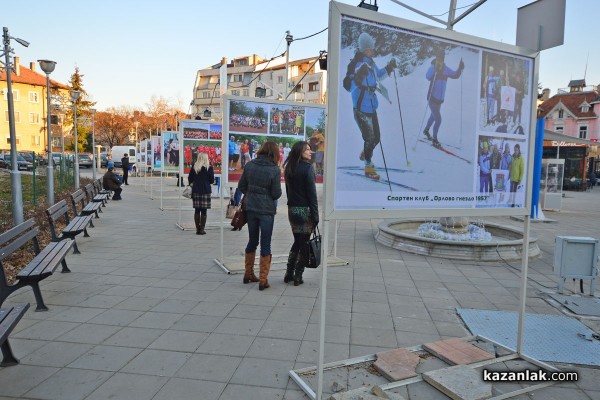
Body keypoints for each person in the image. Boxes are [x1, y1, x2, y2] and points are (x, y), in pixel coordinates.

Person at [350, 32, 396, 181]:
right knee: (369, 139)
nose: (372, 51)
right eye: (370, 49)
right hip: (361, 108)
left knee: (376, 138)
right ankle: (368, 167)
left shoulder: (371, 63)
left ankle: (365, 153)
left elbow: (379, 76)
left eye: (372, 48)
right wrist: (358, 76)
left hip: (371, 106)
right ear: (364, 49)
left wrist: (388, 68)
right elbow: (351, 85)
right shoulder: (357, 64)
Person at [238, 141, 282, 290]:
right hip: (266, 210)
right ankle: (263, 279)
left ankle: (248, 273)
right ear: (274, 153)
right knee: (266, 243)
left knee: (252, 240)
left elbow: (241, 186)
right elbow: (276, 194)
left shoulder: (250, 165)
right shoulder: (274, 169)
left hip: (250, 208)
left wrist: (253, 193)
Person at [283, 141, 319, 286]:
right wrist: (315, 215)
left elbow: (288, 191)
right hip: (305, 211)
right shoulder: (307, 168)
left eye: (310, 150)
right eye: (307, 150)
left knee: (298, 241)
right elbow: (312, 194)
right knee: (303, 243)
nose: (310, 152)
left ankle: (288, 273)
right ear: (300, 152)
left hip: (293, 210)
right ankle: (298, 275)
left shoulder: (289, 168)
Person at [422, 49, 464, 147]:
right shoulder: (433, 66)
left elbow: (455, 75)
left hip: (439, 100)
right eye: (439, 56)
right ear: (437, 57)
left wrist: (460, 68)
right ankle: (435, 139)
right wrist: (434, 68)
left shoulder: (445, 68)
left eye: (442, 57)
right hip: (432, 98)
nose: (441, 58)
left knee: (433, 116)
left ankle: (426, 130)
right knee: (438, 119)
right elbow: (427, 77)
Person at [188, 152, 214, 235]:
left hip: (196, 190)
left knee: (196, 210)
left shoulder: (194, 167)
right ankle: (202, 229)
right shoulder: (209, 168)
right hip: (206, 190)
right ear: (206, 158)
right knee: (204, 211)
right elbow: (212, 180)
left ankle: (197, 229)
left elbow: (190, 179)